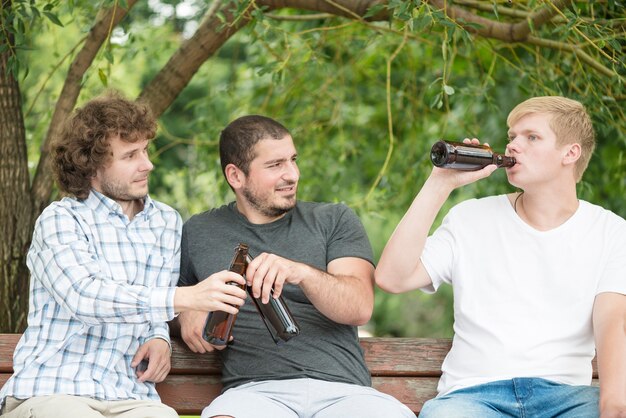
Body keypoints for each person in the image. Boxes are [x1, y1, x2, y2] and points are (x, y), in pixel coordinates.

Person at [375, 96, 626, 417]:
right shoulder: (469, 218)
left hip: (567, 398)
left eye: (531, 137)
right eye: (511, 137)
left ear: (570, 153)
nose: (513, 146)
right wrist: (440, 183)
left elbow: (612, 323)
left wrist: (614, 406)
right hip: (471, 398)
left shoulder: (610, 232)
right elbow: (391, 278)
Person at [0, 92, 248, 418]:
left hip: (128, 393)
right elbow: (86, 297)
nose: (148, 164)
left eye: (145, 150)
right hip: (54, 389)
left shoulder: (165, 221)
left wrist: (159, 336)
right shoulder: (61, 220)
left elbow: (151, 307)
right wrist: (187, 297)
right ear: (92, 165)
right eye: (130, 155)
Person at [175, 115, 414, 418]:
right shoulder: (199, 231)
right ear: (236, 176)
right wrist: (186, 310)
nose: (292, 174)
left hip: (345, 394)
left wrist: (302, 273)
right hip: (253, 394)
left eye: (293, 160)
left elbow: (360, 306)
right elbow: (162, 303)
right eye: (275, 165)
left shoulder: (333, 220)